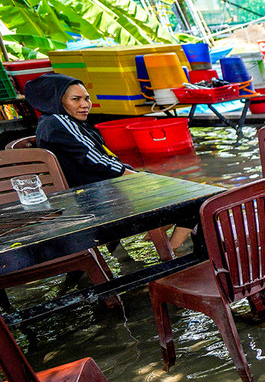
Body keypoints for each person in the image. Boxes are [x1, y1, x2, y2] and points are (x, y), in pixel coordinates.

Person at [25, 72, 195, 249]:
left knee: (185, 198)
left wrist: (138, 175)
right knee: (195, 200)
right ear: (58, 101)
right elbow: (95, 159)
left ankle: (156, 244)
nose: (85, 105)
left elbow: (102, 158)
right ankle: (170, 253)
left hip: (98, 193)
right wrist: (138, 178)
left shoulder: (56, 122)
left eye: (86, 98)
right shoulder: (59, 123)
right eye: (76, 99)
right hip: (97, 199)